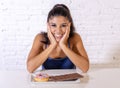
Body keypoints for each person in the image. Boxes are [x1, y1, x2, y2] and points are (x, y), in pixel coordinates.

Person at [26, 4, 89, 73]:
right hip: (47, 82)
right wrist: (52, 45)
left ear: (69, 25)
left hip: (70, 83)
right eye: (53, 25)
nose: (58, 31)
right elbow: (30, 68)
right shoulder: (40, 39)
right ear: (48, 26)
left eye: (63, 25)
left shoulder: (75, 38)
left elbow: (85, 68)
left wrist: (63, 45)